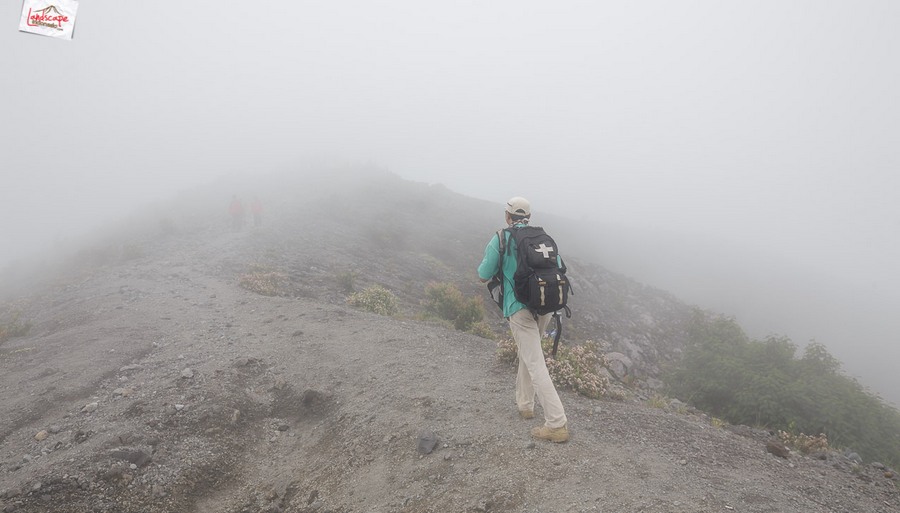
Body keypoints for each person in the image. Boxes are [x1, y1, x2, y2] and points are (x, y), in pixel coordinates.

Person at [477, 196, 569, 443]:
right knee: (528, 355)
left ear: (507, 216)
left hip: (518, 308)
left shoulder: (501, 238)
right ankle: (525, 404)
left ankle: (556, 423)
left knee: (535, 361)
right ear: (528, 217)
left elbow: (482, 274)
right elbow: (560, 267)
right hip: (544, 306)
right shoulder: (543, 238)